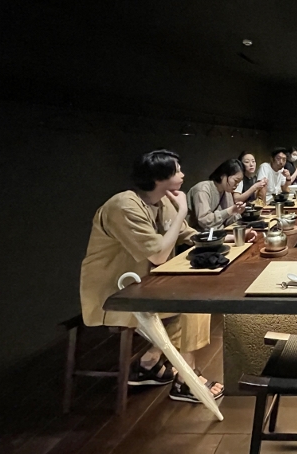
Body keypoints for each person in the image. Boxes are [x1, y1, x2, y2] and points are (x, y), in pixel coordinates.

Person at [80, 150, 224, 403]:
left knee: (198, 299)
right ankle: (185, 379)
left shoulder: (165, 200)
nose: (183, 174)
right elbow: (157, 254)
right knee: (193, 306)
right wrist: (182, 211)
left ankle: (148, 363)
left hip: (148, 283)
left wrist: (231, 238)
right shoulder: (123, 206)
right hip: (116, 290)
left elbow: (185, 234)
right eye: (177, 170)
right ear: (159, 178)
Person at [186, 159, 247, 230]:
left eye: (239, 182)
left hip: (218, 234)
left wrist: (237, 212)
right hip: (199, 237)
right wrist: (229, 211)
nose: (237, 185)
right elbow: (204, 221)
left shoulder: (227, 192)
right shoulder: (202, 190)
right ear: (222, 176)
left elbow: (228, 221)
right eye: (236, 181)